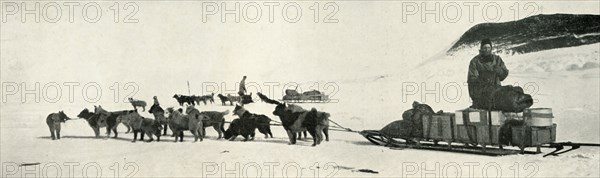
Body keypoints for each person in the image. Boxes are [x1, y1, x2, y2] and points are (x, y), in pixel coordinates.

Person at [467, 39, 509, 109]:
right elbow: (472, 79)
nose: (487, 50)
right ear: (481, 49)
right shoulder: (475, 61)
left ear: (491, 48)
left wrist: (499, 71)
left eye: (488, 47)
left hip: (496, 94)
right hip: (481, 95)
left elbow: (504, 75)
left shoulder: (497, 59)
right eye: (484, 48)